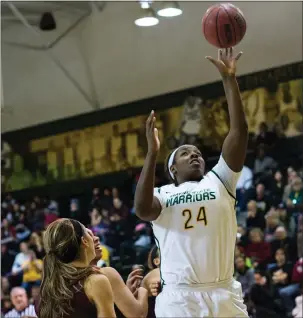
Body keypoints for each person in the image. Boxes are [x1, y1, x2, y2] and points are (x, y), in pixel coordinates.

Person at [135, 47, 249, 317]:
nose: (194, 154)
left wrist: (229, 79)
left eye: (197, 152)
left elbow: (239, 132)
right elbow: (142, 209)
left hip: (223, 291)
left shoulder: (220, 180)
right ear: (172, 168)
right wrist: (152, 153)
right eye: (185, 153)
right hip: (179, 297)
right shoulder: (161, 194)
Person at [35, 218, 148, 318]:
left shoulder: (44, 294)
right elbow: (138, 314)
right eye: (90, 234)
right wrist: (144, 287)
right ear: (84, 241)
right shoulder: (96, 280)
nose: (96, 238)